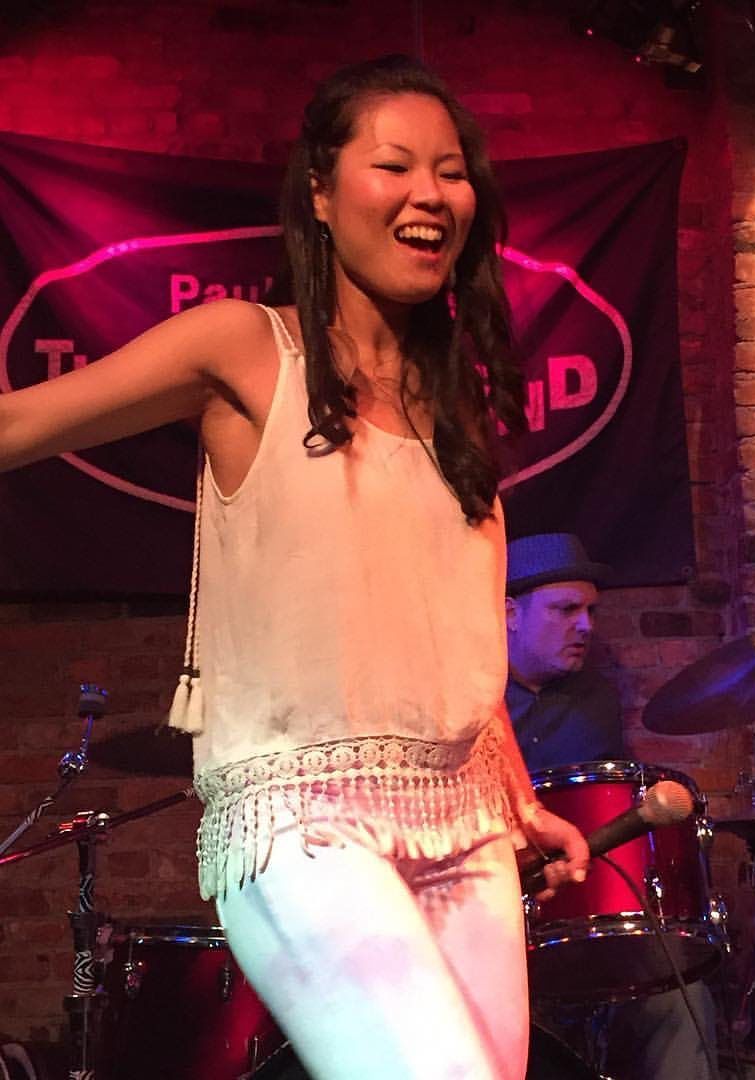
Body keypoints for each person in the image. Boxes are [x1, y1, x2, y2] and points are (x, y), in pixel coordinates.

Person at [0, 57, 589, 1080]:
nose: (429, 194)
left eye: (451, 172)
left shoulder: (456, 403)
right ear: (320, 191)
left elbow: (453, 631)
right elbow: (15, 424)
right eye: (394, 166)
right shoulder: (244, 348)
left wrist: (521, 799)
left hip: (463, 822)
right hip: (301, 821)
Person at [505, 532, 721, 1080]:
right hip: (497, 921)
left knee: (679, 998)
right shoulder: (470, 705)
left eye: (591, 611)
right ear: (509, 615)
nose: (585, 625)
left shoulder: (595, 699)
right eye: (565, 610)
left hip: (586, 916)